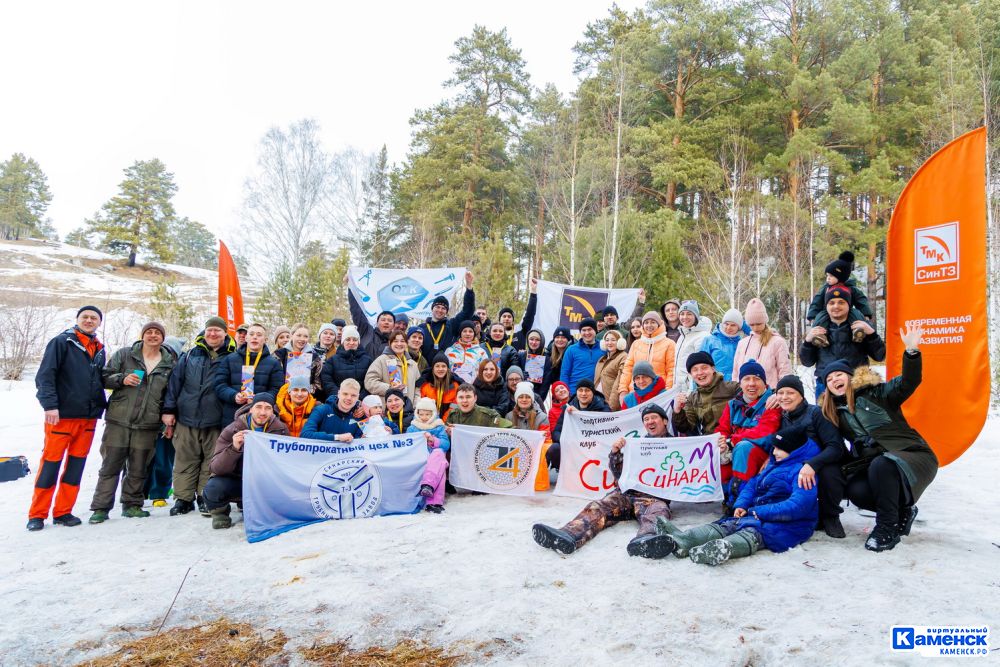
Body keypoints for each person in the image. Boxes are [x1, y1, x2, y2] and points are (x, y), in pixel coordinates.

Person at [819, 325, 937, 552]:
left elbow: (908, 382)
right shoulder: (835, 413)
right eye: (829, 379)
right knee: (857, 491)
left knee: (882, 464)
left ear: (851, 377)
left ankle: (886, 528)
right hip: (878, 465)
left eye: (839, 375)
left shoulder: (879, 393)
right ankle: (903, 509)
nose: (834, 380)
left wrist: (912, 352)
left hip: (913, 455)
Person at [655, 425, 819, 565]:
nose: (774, 452)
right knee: (728, 524)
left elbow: (799, 506)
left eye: (779, 449)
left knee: (753, 532)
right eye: (774, 447)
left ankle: (722, 548)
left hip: (789, 524)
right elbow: (752, 485)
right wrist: (741, 504)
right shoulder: (774, 465)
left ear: (794, 450)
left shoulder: (803, 472)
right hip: (758, 514)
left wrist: (758, 511)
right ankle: (685, 539)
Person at [532, 403, 676, 558]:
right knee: (597, 507)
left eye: (654, 417)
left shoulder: (679, 446)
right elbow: (619, 473)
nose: (650, 422)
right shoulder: (636, 445)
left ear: (665, 421)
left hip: (653, 498)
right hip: (627, 495)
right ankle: (567, 536)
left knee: (658, 513)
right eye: (646, 419)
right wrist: (615, 453)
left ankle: (646, 541)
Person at [28, 306, 108, 531]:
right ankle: (37, 514)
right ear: (77, 319)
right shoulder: (62, 342)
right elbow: (45, 375)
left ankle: (63, 511)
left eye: (94, 318)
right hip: (61, 417)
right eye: (86, 317)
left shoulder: (99, 348)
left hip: (88, 418)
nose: (89, 321)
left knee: (75, 467)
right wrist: (50, 405)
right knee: (50, 466)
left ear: (99, 323)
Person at [88, 321, 176, 523]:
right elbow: (104, 377)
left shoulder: (169, 362)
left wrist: (166, 420)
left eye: (157, 333)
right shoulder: (125, 354)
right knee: (110, 466)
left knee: (139, 467)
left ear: (162, 338)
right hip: (119, 420)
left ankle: (132, 505)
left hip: (148, 424)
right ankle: (100, 508)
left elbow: (171, 394)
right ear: (142, 335)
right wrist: (122, 379)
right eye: (149, 332)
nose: (153, 336)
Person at [162, 316, 236, 517]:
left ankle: (205, 497)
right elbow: (174, 384)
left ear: (224, 334)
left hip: (215, 418)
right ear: (205, 332)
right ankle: (183, 499)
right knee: (185, 459)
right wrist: (168, 411)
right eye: (210, 330)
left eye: (217, 331)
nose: (213, 334)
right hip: (187, 416)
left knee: (210, 461)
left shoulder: (231, 357)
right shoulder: (189, 356)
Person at [770, 374, 848, 538]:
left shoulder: (816, 413)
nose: (784, 397)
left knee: (829, 473)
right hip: (794, 463)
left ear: (801, 395)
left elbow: (836, 447)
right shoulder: (781, 416)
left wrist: (812, 464)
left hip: (823, 462)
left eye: (790, 393)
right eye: (781, 393)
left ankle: (830, 516)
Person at [203, 392, 290, 529]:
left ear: (272, 411)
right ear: (251, 409)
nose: (263, 412)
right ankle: (220, 513)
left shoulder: (281, 429)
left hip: (263, 481)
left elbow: (285, 462)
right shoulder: (233, 429)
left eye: (267, 408)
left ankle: (257, 507)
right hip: (237, 479)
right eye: (259, 407)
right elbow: (216, 468)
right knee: (214, 487)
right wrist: (234, 448)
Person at [800, 284, 886, 396]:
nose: (836, 306)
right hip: (826, 385)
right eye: (831, 303)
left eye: (841, 302)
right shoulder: (818, 330)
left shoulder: (860, 327)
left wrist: (872, 334)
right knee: (826, 414)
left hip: (857, 384)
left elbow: (879, 356)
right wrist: (807, 341)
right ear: (826, 306)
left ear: (849, 305)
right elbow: (807, 362)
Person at [717, 360, 781, 504]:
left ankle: (739, 502)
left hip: (764, 455)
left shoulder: (772, 402)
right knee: (716, 452)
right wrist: (721, 442)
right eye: (746, 379)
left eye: (757, 379)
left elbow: (765, 432)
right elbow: (722, 429)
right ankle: (726, 495)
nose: (751, 383)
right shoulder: (733, 405)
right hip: (735, 452)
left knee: (743, 448)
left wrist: (732, 441)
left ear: (765, 383)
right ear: (740, 384)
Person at [214, 323, 284, 427]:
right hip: (232, 416)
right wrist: (233, 396)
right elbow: (219, 385)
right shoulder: (230, 359)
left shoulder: (274, 363)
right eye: (251, 334)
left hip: (261, 418)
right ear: (246, 338)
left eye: (259, 335)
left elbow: (277, 389)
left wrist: (261, 399)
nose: (255, 337)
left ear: (265, 339)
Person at [806, 251, 874, 341]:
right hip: (828, 312)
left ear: (841, 276)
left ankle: (858, 332)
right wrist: (812, 316)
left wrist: (866, 314)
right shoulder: (826, 288)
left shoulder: (851, 288)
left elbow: (861, 300)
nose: (828, 279)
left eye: (831, 276)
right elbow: (817, 301)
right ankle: (820, 336)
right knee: (821, 318)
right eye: (827, 276)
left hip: (847, 312)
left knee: (856, 314)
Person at [671, 351, 739, 437]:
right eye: (695, 370)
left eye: (704, 368)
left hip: (732, 440)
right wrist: (678, 411)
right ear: (690, 374)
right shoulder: (692, 398)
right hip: (710, 444)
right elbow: (685, 428)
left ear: (713, 369)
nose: (700, 373)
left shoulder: (733, 388)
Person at [548, 379, 611, 469]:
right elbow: (556, 431)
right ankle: (564, 472)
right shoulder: (568, 406)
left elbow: (606, 432)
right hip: (573, 446)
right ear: (576, 392)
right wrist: (566, 440)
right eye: (580, 390)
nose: (583, 394)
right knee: (555, 448)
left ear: (593, 392)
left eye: (587, 390)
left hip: (594, 446)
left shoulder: (603, 407)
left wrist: (579, 414)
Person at [731, 298, 792, 388]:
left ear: (765, 321)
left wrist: (779, 394)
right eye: (752, 325)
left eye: (758, 324)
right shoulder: (742, 343)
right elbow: (736, 372)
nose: (755, 328)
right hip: (745, 396)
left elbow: (785, 372)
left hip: (769, 396)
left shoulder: (777, 342)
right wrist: (736, 392)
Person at [406, 397, 452, 514]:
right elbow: (407, 443)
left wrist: (433, 440)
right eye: (421, 414)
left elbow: (446, 444)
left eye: (428, 414)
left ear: (433, 414)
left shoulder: (439, 426)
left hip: (434, 456)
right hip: (419, 456)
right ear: (417, 413)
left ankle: (431, 494)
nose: (424, 417)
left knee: (439, 455)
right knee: (439, 463)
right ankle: (432, 496)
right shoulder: (412, 428)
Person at [619, 311, 676, 398]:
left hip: (659, 393)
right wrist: (623, 390)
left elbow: (671, 370)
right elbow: (628, 368)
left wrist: (667, 392)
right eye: (646, 322)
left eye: (653, 322)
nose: (649, 325)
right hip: (635, 392)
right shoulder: (636, 344)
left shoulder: (669, 344)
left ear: (659, 324)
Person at [419, 271, 476, 359]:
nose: (440, 310)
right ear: (432, 308)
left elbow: (468, 311)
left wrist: (469, 287)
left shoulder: (452, 325)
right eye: (437, 307)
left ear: (446, 311)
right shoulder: (422, 328)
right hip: (424, 370)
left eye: (443, 308)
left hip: (445, 369)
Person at [301, 379, 366, 442]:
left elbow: (364, 442)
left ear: (358, 397)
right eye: (345, 394)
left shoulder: (361, 416)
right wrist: (337, 437)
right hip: (321, 452)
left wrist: (364, 439)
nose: (349, 398)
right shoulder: (321, 410)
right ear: (338, 393)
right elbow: (305, 434)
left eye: (353, 395)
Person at [320, 325, 373, 400]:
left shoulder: (368, 360)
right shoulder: (332, 360)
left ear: (358, 342)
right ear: (342, 342)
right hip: (337, 401)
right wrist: (340, 396)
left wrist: (360, 398)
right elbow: (327, 381)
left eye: (354, 340)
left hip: (361, 402)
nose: (351, 343)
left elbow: (370, 381)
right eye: (348, 339)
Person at [365, 331, 419, 401]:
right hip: (388, 408)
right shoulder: (381, 360)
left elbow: (418, 387)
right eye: (395, 341)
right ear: (390, 343)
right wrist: (390, 388)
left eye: (402, 341)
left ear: (406, 343)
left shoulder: (413, 364)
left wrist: (415, 406)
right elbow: (369, 382)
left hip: (408, 408)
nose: (399, 344)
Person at [273, 323, 323, 397]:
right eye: (299, 335)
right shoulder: (279, 355)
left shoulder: (315, 358)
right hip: (283, 397)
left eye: (305, 336)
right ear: (292, 336)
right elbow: (274, 381)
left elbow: (318, 384)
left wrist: (305, 390)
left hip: (306, 398)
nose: (302, 339)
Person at [673, 301, 713, 391]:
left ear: (696, 316)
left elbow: (702, 367)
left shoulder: (703, 336)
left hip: (692, 388)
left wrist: (693, 390)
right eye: (682, 314)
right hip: (679, 387)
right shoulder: (682, 335)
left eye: (689, 314)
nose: (685, 317)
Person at [560, 318, 603, 394]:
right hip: (575, 393)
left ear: (595, 330)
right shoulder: (571, 350)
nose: (587, 332)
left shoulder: (603, 348)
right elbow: (565, 374)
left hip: (597, 393)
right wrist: (566, 392)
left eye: (590, 329)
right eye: (584, 330)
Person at [701, 309, 744, 381]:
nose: (728, 327)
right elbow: (700, 364)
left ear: (739, 327)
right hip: (714, 384)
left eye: (733, 325)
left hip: (734, 386)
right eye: (726, 324)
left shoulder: (742, 343)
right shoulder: (709, 340)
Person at [445, 384, 513, 429]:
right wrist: (449, 434)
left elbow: (509, 428)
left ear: (475, 398)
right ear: (456, 399)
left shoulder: (489, 415)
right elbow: (445, 439)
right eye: (461, 397)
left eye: (468, 397)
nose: (464, 400)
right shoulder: (453, 415)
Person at [418, 353, 462, 420]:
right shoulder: (425, 385)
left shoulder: (455, 386)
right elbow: (422, 407)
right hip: (428, 421)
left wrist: (444, 422)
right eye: (437, 366)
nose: (440, 369)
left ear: (447, 368)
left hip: (449, 421)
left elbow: (454, 407)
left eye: (443, 366)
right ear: (433, 368)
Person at [444, 320, 489, 385]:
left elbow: (485, 371)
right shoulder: (449, 351)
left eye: (470, 331)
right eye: (464, 331)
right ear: (460, 333)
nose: (467, 334)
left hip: (474, 389)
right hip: (453, 389)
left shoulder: (481, 352)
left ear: (474, 334)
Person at [594, 329, 627, 411]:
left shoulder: (623, 357)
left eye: (613, 340)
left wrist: (612, 405)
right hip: (599, 402)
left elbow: (619, 383)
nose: (609, 343)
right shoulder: (602, 359)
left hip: (610, 404)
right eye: (607, 340)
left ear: (620, 342)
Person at [516, 329, 552, 400]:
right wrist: (521, 375)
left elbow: (546, 383)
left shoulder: (547, 358)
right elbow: (516, 374)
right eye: (531, 339)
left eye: (537, 340)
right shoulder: (521, 355)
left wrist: (539, 399)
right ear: (527, 340)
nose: (534, 342)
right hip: (522, 395)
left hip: (538, 396)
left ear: (541, 341)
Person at [545, 327, 571, 398]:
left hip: (568, 391)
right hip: (554, 391)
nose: (560, 340)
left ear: (568, 340)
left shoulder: (572, 353)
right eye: (557, 337)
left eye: (563, 337)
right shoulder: (548, 353)